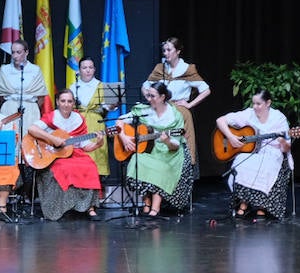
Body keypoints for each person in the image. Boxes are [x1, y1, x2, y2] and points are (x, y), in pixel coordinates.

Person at [214, 89, 294, 220]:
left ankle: (262, 206)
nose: (255, 107)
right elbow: (220, 120)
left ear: (268, 103)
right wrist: (231, 137)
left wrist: (283, 141)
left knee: (265, 166)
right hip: (250, 151)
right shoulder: (248, 114)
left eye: (258, 104)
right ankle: (244, 203)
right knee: (242, 164)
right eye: (253, 104)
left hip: (272, 152)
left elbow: (285, 149)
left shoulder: (278, 118)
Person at [117, 82, 194, 217]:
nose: (148, 99)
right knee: (137, 159)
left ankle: (155, 208)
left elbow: (176, 145)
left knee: (159, 168)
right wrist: (123, 137)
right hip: (154, 151)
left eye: (152, 96)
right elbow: (120, 121)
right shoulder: (145, 110)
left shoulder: (175, 116)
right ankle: (147, 203)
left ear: (162, 97)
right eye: (148, 95)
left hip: (173, 154)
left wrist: (168, 141)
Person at [26, 89, 101, 220]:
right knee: (63, 168)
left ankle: (89, 207)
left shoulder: (79, 119)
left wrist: (98, 144)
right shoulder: (51, 117)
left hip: (74, 153)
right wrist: (52, 139)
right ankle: (63, 208)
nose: (66, 104)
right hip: (54, 155)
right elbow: (32, 129)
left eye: (69, 101)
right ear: (57, 102)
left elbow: (85, 145)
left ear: (73, 104)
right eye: (63, 101)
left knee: (90, 166)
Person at [146, 37, 210, 177]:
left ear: (178, 51)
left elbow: (206, 90)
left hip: (178, 109)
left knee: (182, 136)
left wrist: (189, 104)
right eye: (164, 50)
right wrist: (151, 99)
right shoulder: (160, 68)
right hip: (161, 108)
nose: (166, 53)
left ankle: (183, 171)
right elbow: (145, 86)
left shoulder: (187, 69)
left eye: (169, 50)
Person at [0, 39, 49, 136]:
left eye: (18, 52)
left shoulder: (35, 70)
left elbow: (41, 97)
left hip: (30, 109)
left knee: (29, 140)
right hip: (9, 109)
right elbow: (1, 96)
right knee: (10, 140)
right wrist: (11, 104)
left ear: (26, 52)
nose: (15, 56)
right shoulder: (4, 70)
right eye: (13, 52)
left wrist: (30, 106)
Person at [72, 56, 114, 177]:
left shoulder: (101, 85)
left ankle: (98, 186)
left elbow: (107, 107)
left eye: (90, 67)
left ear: (94, 69)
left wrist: (112, 105)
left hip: (96, 122)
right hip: (79, 124)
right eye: (84, 68)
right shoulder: (73, 86)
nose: (88, 70)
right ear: (79, 70)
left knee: (97, 150)